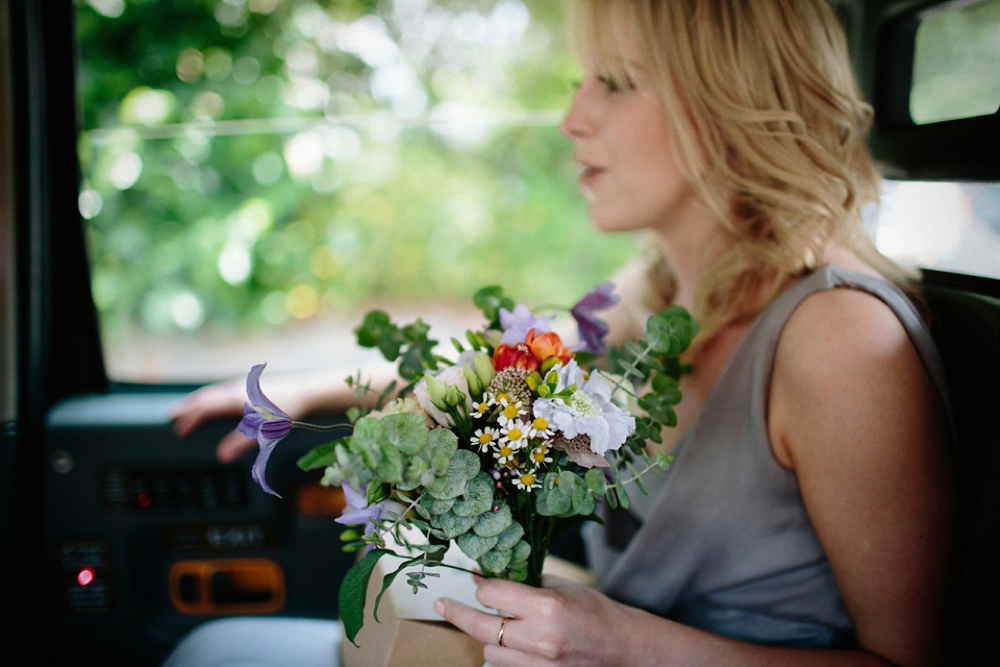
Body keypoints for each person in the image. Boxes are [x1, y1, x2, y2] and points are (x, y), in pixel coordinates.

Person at [168, 1, 955, 665]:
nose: (572, 117)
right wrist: (306, 392)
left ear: (727, 99)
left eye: (613, 83)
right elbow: (493, 376)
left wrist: (627, 643)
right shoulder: (653, 300)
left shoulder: (842, 339)